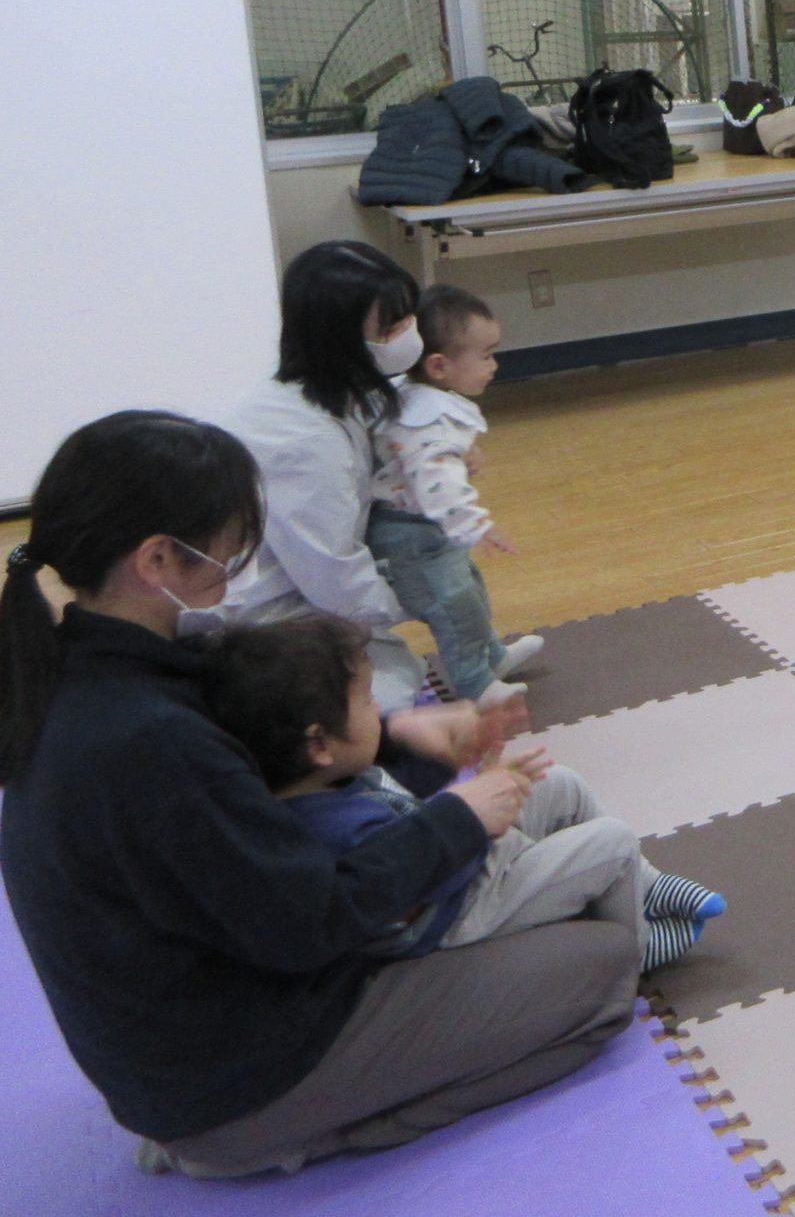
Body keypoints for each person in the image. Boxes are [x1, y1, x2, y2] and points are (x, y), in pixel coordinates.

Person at [0, 411, 639, 1178]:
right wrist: (457, 821)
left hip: (205, 1029)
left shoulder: (102, 672)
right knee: (606, 968)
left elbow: (288, 797)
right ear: (159, 558)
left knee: (535, 867)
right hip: (243, 1071)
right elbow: (315, 919)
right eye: (229, 550)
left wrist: (407, 749)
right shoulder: (148, 739)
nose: (236, 568)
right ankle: (289, 1139)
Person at [202, 617, 722, 972]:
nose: (379, 710)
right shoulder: (330, 825)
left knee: (559, 782)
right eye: (365, 702)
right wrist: (478, 813)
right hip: (460, 910)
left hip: (465, 868)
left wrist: (468, 774)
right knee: (612, 840)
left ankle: (648, 886)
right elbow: (428, 877)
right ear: (319, 743)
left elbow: (407, 804)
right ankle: (634, 949)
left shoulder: (333, 774)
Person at [221, 240, 438, 711]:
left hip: (305, 591)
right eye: (390, 326)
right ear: (339, 336)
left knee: (399, 666)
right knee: (380, 699)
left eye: (407, 317)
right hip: (262, 611)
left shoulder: (340, 390)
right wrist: (429, 601)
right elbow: (333, 577)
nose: (407, 332)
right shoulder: (302, 439)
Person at [365, 284, 541, 705]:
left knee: (471, 590)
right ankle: (474, 684)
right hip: (410, 537)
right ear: (439, 366)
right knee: (453, 606)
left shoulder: (421, 399)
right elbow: (437, 484)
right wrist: (477, 526)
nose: (494, 365)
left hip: (428, 529)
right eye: (486, 356)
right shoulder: (428, 419)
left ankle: (492, 655)